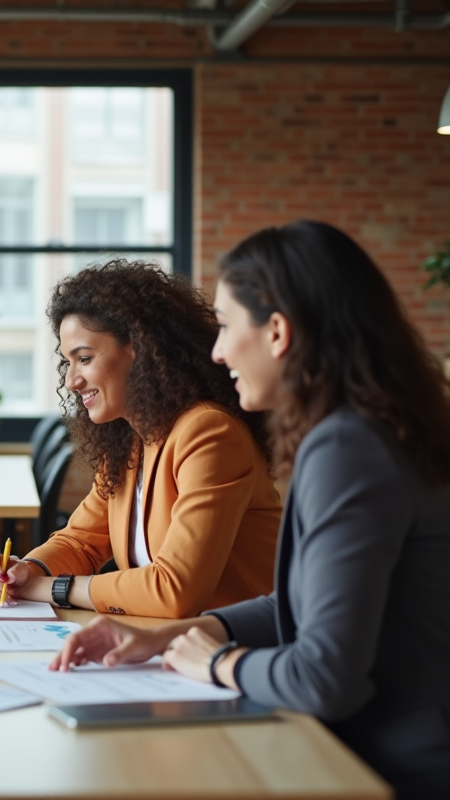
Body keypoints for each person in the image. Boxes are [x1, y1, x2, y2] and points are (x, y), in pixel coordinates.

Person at [52, 222, 450, 798]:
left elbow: (323, 678)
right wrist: (175, 637)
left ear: (278, 332)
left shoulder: (348, 449)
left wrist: (217, 661)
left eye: (226, 326)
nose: (216, 351)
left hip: (385, 764)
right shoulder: (360, 434)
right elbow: (296, 602)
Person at [0, 260, 281, 618]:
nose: (71, 381)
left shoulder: (209, 432)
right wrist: (25, 571)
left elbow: (175, 589)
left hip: (240, 642)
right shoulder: (130, 442)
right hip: (163, 638)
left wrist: (51, 587)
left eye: (84, 358)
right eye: (67, 363)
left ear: (139, 347)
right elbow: (80, 542)